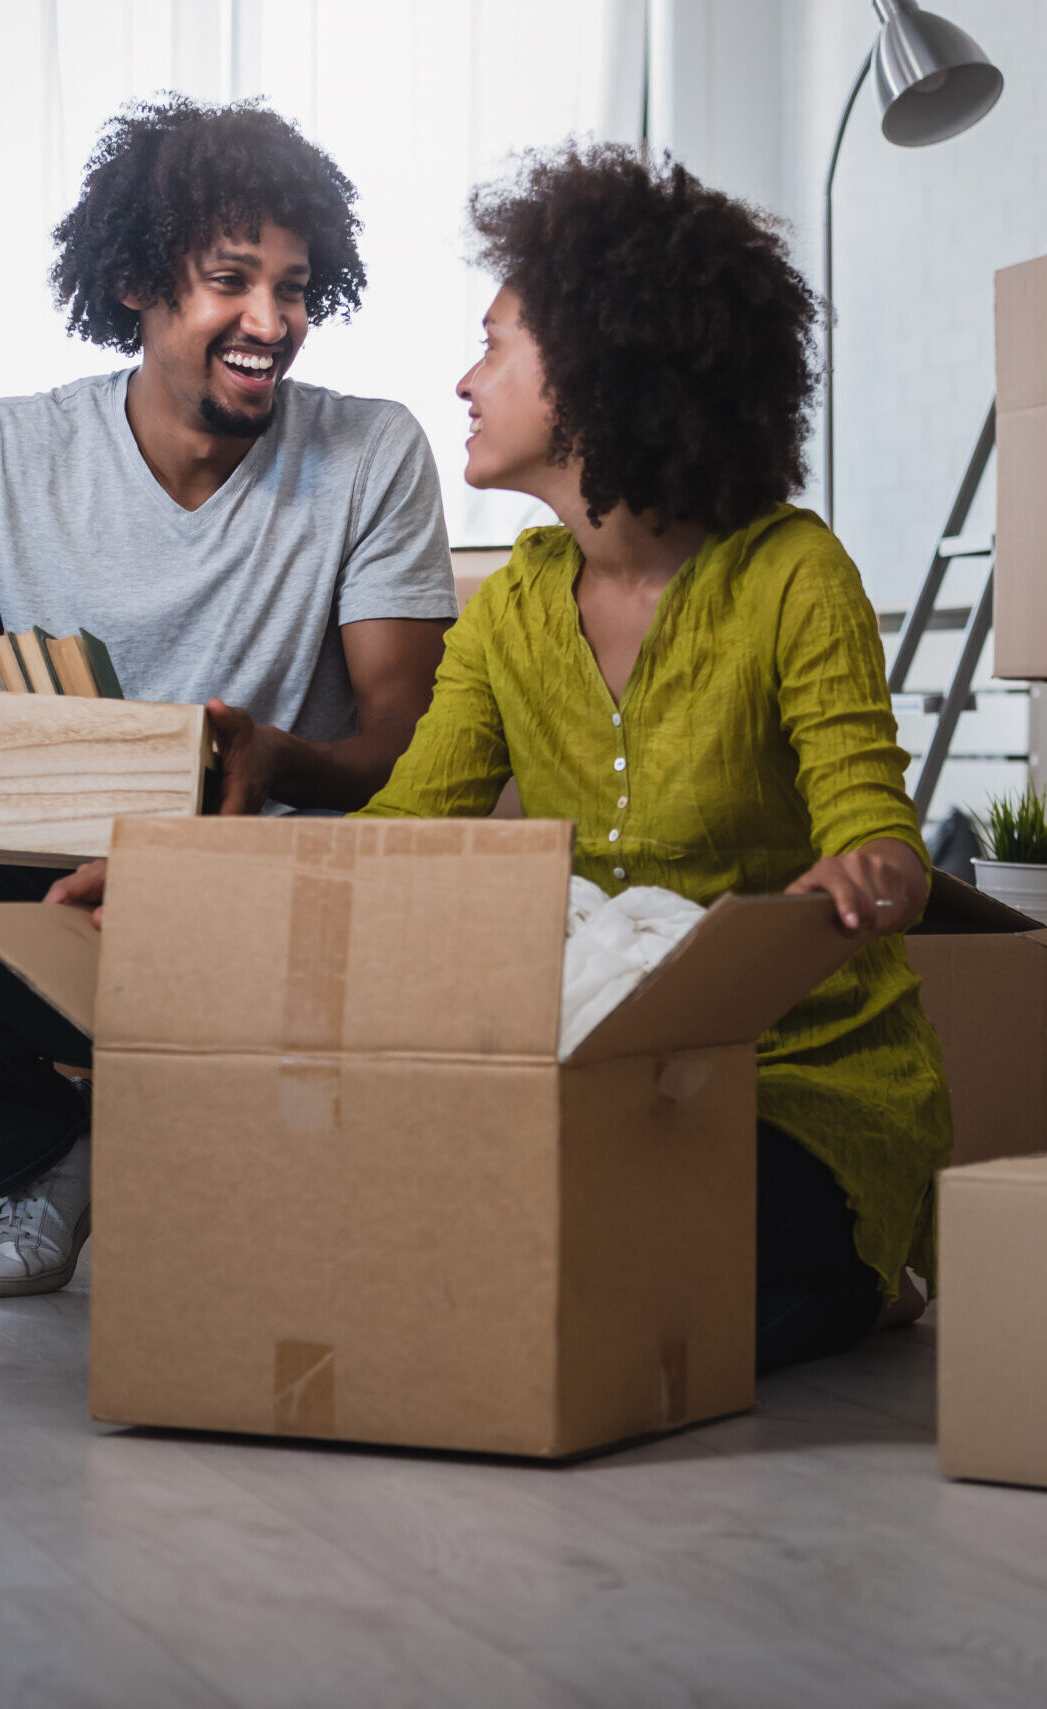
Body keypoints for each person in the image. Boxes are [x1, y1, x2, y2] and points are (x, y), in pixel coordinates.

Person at [0, 98, 457, 1298]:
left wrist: (268, 758)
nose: (269, 323)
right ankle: (51, 1156)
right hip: (58, 896)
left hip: (253, 894)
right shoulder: (11, 449)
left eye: (295, 286)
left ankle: (213, 1153)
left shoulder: (368, 452)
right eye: (230, 280)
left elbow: (405, 748)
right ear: (133, 281)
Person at [351, 142, 952, 1373]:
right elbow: (398, 836)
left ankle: (862, 1264)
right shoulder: (512, 608)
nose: (463, 380)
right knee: (495, 1252)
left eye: (494, 345)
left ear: (592, 367)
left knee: (639, 1301)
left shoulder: (789, 572)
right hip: (600, 1076)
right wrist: (174, 884)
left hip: (797, 1083)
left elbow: (869, 821)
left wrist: (872, 874)